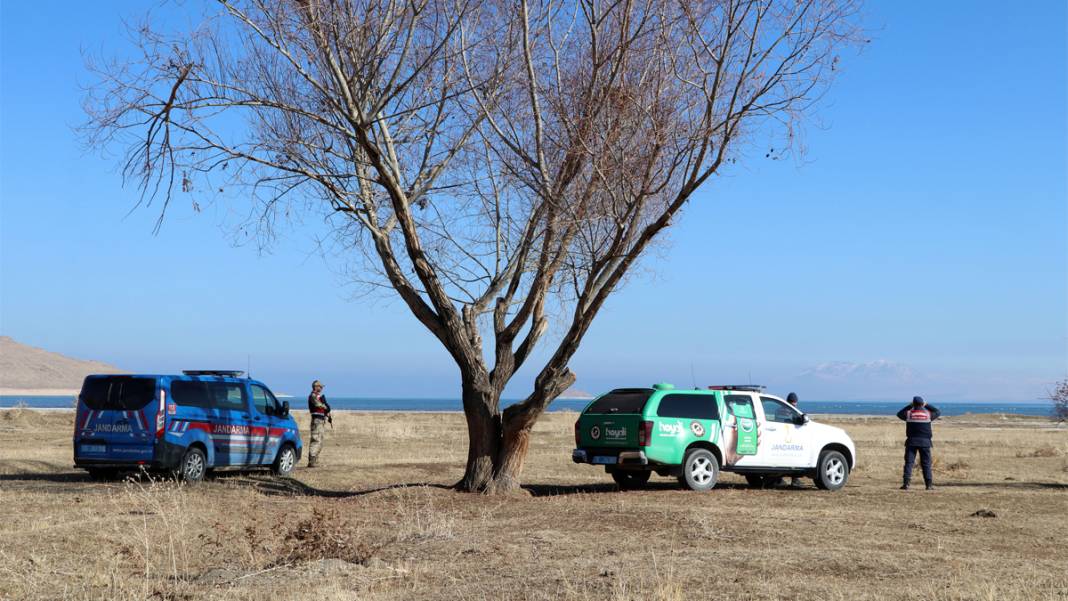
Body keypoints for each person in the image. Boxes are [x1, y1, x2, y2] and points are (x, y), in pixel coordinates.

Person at [896, 396, 941, 490]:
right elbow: (937, 411)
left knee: (909, 463)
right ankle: (928, 485)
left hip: (911, 442)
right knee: (926, 464)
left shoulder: (908, 414)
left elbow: (899, 414)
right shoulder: (928, 415)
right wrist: (927, 405)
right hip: (925, 443)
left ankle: (906, 484)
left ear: (913, 403)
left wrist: (909, 406)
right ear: (922, 404)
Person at [307, 380, 332, 468]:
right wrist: (325, 406)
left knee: (320, 441)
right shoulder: (313, 396)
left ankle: (315, 459)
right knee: (316, 440)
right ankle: (312, 460)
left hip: (321, 420)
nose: (321, 388)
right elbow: (318, 405)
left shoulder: (318, 396)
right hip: (316, 420)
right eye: (320, 387)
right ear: (316, 387)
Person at [786, 392, 804, 488]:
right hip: (789, 438)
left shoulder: (779, 410)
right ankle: (795, 480)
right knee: (795, 459)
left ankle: (777, 479)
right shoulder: (792, 411)